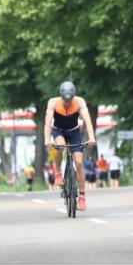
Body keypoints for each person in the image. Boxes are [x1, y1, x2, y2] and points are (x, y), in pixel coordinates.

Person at [44, 81, 97, 210]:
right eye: (65, 100)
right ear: (61, 96)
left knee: (79, 163)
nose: (67, 103)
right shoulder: (53, 102)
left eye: (70, 100)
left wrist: (91, 137)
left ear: (73, 97)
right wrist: (47, 139)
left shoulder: (79, 102)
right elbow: (47, 122)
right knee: (60, 146)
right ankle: (58, 173)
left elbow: (88, 121)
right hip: (59, 131)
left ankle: (82, 197)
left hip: (74, 132)